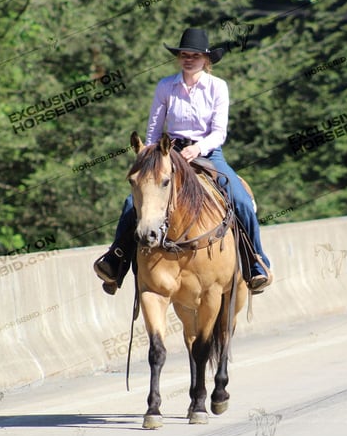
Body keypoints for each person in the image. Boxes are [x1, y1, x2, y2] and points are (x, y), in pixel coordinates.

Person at [93, 27, 272, 295]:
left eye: (195, 55)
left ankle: (256, 263)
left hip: (208, 153)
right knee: (133, 201)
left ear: (206, 59)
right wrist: (150, 154)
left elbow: (219, 132)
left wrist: (197, 148)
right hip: (169, 153)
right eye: (184, 55)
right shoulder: (166, 85)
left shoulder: (217, 87)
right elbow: (154, 128)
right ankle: (116, 260)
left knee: (241, 199)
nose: (189, 59)